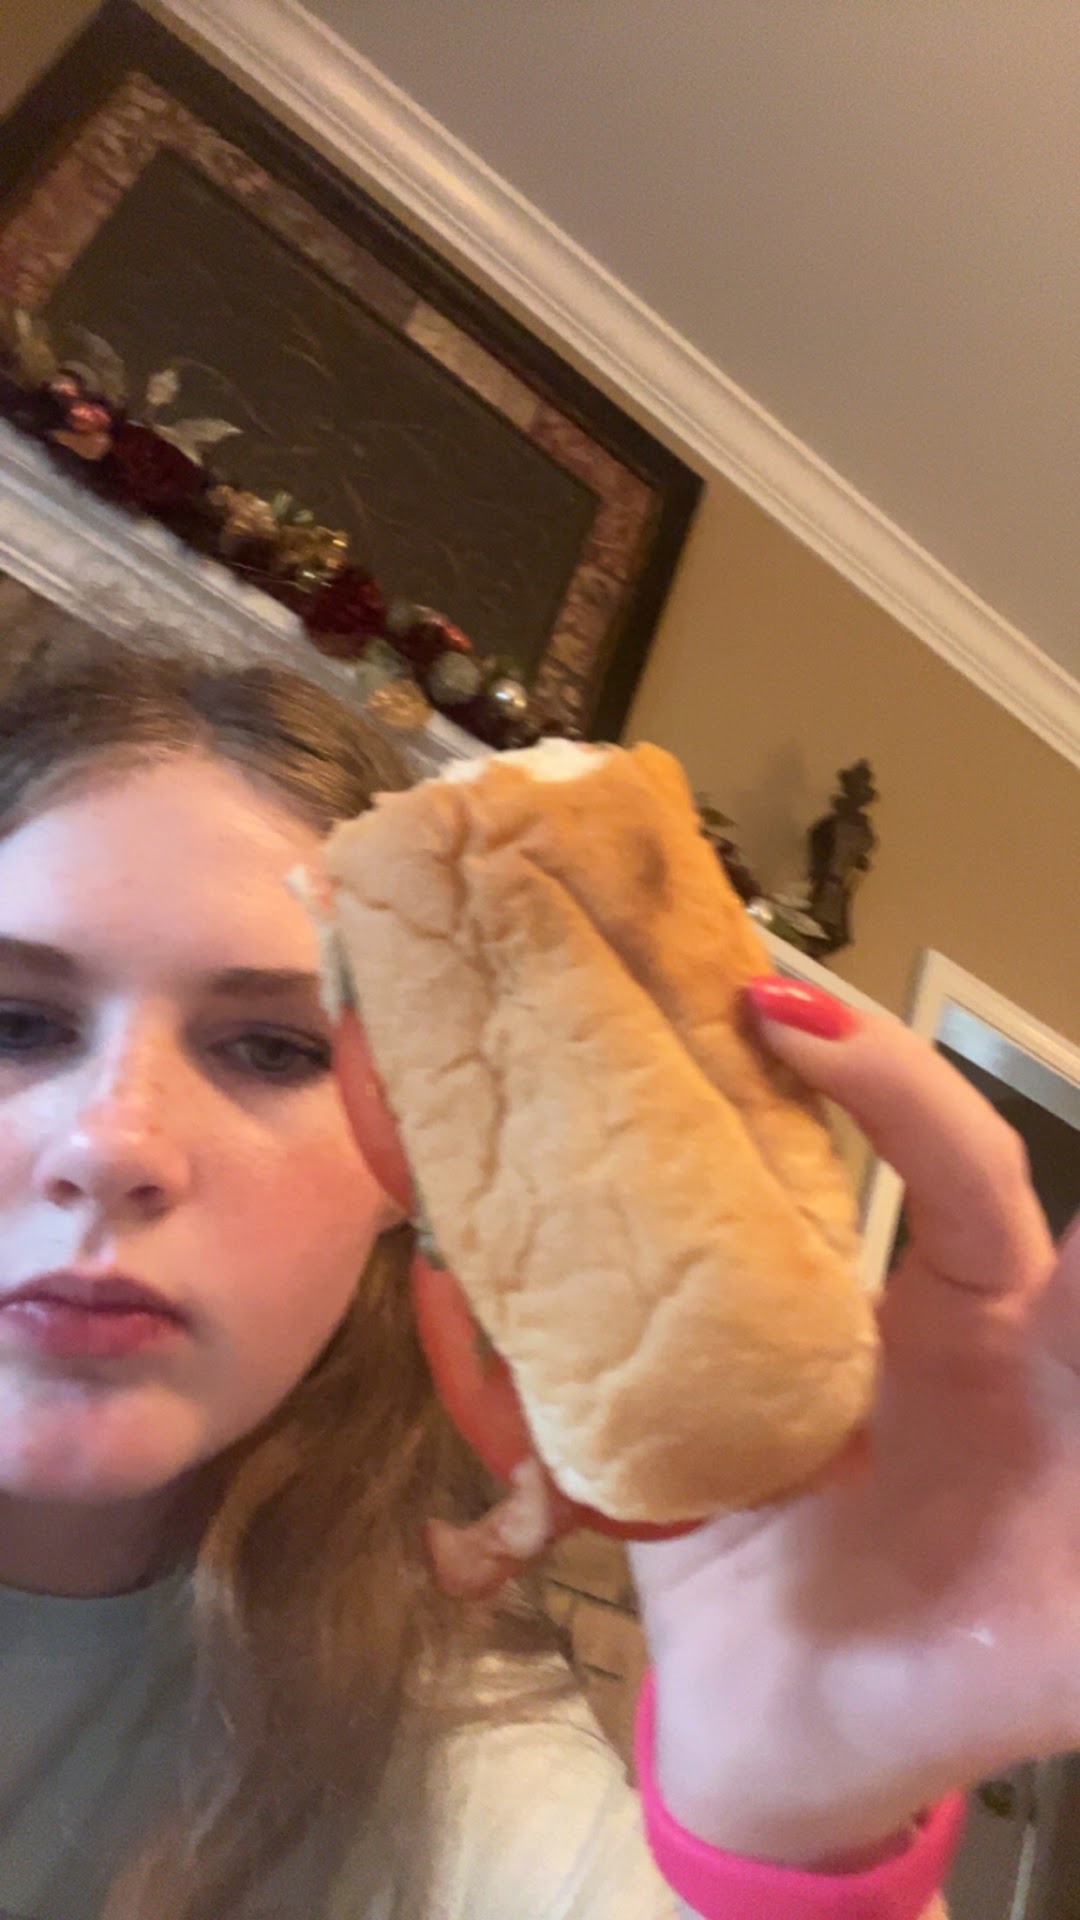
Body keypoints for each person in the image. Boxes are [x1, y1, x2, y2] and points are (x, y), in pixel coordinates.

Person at [0, 621, 1074, 1920]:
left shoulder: (454, 1771)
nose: (111, 1142)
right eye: (17, 1024)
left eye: (275, 1051)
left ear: (408, 1164)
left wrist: (794, 1841)